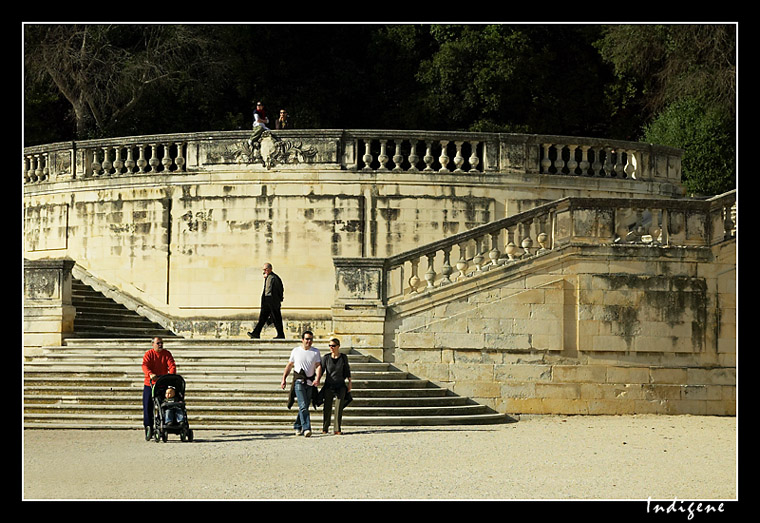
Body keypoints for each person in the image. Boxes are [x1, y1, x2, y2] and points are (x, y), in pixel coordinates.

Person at [280, 331, 322, 437]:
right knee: (303, 405)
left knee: (305, 406)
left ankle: (297, 425)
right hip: (299, 381)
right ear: (302, 340)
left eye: (311, 339)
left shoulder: (315, 352)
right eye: (307, 339)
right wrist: (284, 379)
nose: (309, 341)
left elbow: (318, 366)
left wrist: (317, 378)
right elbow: (289, 365)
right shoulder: (296, 351)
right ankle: (307, 428)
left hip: (310, 382)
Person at [141, 337, 176, 440]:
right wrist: (150, 374)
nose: (160, 345)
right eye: (158, 343)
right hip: (150, 383)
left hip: (162, 382)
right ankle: (148, 427)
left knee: (165, 404)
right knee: (147, 406)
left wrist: (172, 375)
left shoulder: (167, 354)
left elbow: (172, 365)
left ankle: (165, 423)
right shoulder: (149, 354)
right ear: (153, 344)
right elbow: (145, 365)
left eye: (161, 343)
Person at [319, 337, 352, 435]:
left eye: (333, 346)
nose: (331, 347)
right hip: (329, 385)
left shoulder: (343, 357)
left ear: (338, 346)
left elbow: (347, 370)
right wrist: (317, 379)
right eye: (330, 346)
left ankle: (337, 428)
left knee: (339, 408)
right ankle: (325, 427)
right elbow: (321, 371)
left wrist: (350, 382)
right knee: (327, 407)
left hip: (340, 385)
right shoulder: (326, 357)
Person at [248, 262, 285, 339]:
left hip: (272, 301)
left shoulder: (274, 277)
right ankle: (256, 333)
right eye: (264, 270)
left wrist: (278, 300)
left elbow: (279, 289)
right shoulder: (269, 277)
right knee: (263, 318)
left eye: (266, 269)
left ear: (270, 269)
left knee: (276, 318)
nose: (264, 271)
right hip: (267, 300)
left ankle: (281, 335)